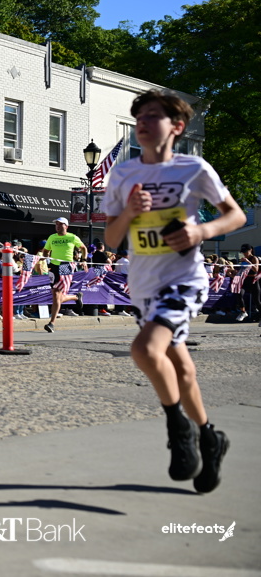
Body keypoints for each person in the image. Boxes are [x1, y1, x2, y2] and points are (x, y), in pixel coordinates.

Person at [103, 89, 245, 493]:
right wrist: (130, 212)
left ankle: (178, 429)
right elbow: (111, 239)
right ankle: (210, 438)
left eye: (153, 116)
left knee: (145, 350)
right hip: (143, 285)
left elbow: (235, 215)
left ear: (177, 127)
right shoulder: (123, 174)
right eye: (139, 118)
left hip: (183, 279)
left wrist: (201, 231)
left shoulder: (193, 168)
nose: (143, 123)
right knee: (180, 369)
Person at [40, 217, 87, 333]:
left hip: (66, 265)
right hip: (54, 266)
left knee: (58, 295)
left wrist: (84, 260)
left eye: (60, 224)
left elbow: (83, 248)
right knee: (55, 295)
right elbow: (46, 250)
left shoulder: (72, 237)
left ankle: (52, 323)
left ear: (66, 226)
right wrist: (45, 257)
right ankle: (75, 297)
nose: (57, 226)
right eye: (56, 224)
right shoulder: (52, 237)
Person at [233, 243, 258, 322]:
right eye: (243, 252)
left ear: (250, 250)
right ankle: (243, 312)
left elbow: (256, 270)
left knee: (257, 301)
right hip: (245, 280)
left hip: (253, 281)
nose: (244, 254)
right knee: (238, 293)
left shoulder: (254, 258)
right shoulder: (243, 259)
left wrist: (248, 261)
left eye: (246, 252)